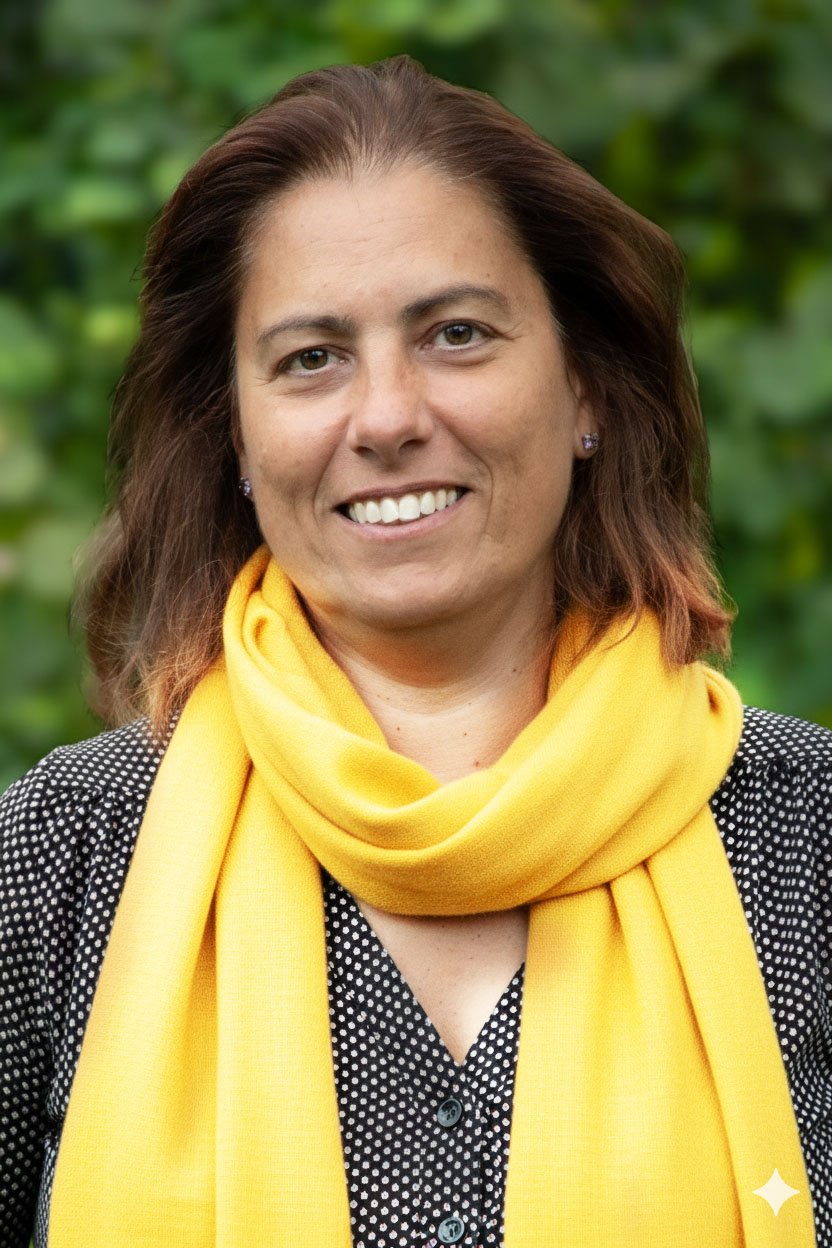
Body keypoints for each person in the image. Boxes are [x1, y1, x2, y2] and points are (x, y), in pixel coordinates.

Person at [0, 55, 829, 1248]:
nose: (386, 417)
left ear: (585, 388)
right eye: (310, 358)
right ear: (234, 434)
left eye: (455, 334)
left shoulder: (806, 838)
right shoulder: (63, 855)